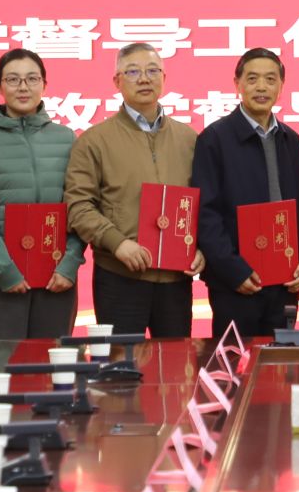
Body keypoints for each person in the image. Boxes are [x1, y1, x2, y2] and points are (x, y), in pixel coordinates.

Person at [64, 41, 203, 339]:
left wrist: (201, 248)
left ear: (164, 78)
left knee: (175, 363)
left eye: (152, 71)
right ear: (117, 81)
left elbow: (204, 203)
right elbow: (79, 206)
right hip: (119, 276)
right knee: (120, 363)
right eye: (133, 71)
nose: (144, 79)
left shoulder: (189, 139)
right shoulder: (94, 140)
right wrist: (117, 243)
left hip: (176, 279)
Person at [0, 49, 85, 348]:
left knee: (52, 368)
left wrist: (69, 265)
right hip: (0, 281)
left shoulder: (66, 138)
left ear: (44, 84)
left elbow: (81, 207)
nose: (23, 87)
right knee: (0, 368)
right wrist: (5, 271)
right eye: (13, 79)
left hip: (56, 280)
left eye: (32, 79)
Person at [192, 47, 299, 340]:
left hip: (285, 280)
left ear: (281, 86)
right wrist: (233, 270)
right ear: (237, 84)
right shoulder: (214, 138)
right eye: (253, 78)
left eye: (270, 79)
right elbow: (206, 214)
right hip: (235, 284)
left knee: (280, 364)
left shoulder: (291, 140)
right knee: (235, 362)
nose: (262, 87)